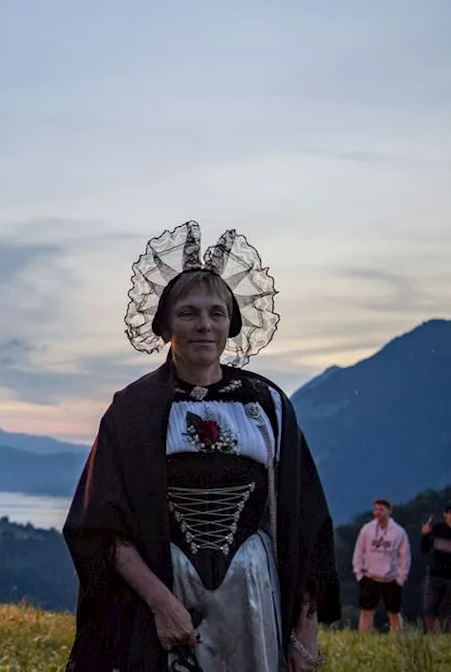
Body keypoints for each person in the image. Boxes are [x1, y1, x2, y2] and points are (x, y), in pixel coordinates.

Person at [63, 221, 340, 672]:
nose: (204, 325)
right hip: (161, 601)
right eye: (188, 313)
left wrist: (304, 636)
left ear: (231, 324)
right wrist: (161, 605)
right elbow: (100, 525)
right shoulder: (134, 410)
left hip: (255, 602)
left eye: (216, 312)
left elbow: (307, 525)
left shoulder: (267, 406)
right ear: (165, 325)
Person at [352, 499, 410, 633]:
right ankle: (364, 638)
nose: (377, 513)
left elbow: (405, 556)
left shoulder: (398, 532)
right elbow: (359, 551)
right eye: (376, 509)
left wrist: (401, 578)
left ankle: (396, 638)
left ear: (389, 511)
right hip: (369, 576)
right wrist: (358, 573)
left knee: (393, 611)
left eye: (381, 509)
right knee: (367, 610)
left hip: (390, 578)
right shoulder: (367, 529)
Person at [420, 502, 451, 633]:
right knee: (429, 607)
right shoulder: (436, 529)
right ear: (445, 515)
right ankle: (433, 635)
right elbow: (424, 549)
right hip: (435, 574)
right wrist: (424, 535)